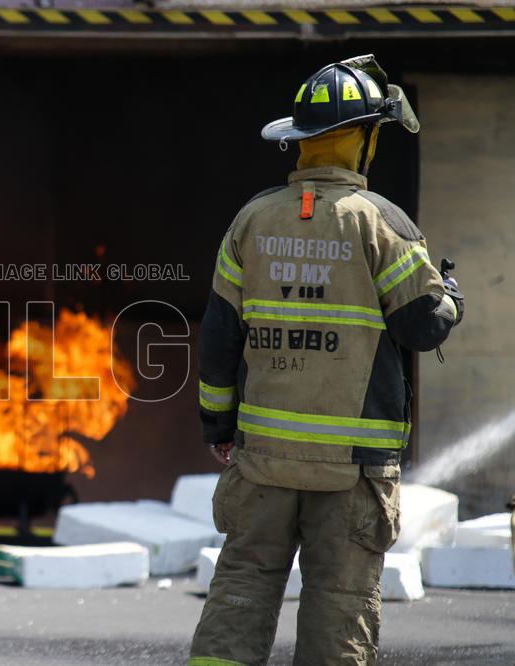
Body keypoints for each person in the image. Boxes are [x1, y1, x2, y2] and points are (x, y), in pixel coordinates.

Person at [189, 55, 464, 665]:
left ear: (304, 140)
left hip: (261, 460)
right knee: (339, 605)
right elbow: (421, 325)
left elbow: (219, 338)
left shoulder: (252, 221)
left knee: (241, 592)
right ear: (363, 139)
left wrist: (218, 427)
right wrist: (450, 298)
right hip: (351, 473)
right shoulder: (380, 224)